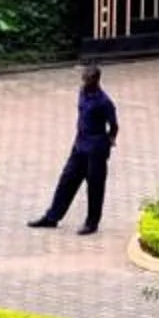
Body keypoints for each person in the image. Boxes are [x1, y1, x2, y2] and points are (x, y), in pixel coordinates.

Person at [29, 65, 119, 235]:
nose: (84, 82)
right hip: (79, 145)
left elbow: (114, 125)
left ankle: (92, 223)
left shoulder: (104, 102)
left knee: (94, 187)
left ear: (96, 80)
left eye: (88, 80)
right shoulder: (82, 92)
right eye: (83, 79)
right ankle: (52, 217)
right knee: (67, 180)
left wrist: (109, 141)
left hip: (96, 149)